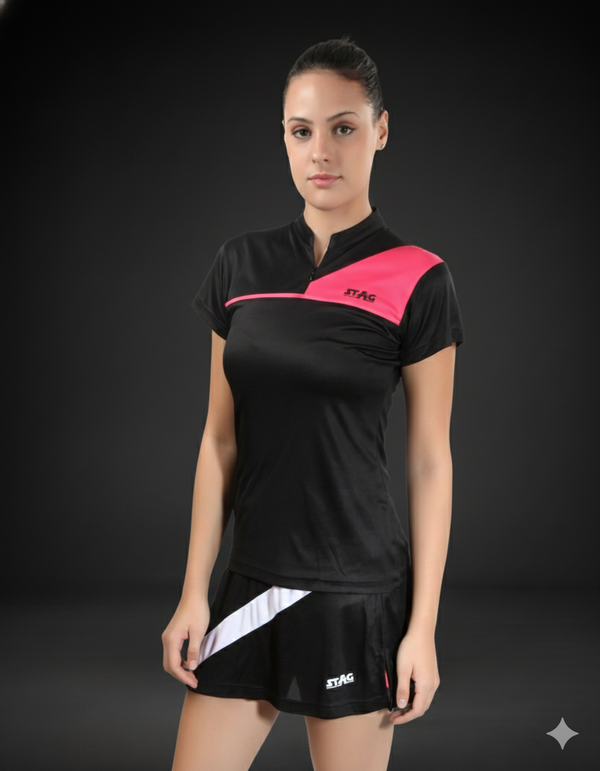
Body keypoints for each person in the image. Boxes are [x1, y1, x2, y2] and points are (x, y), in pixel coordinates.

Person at [162, 36, 464, 771]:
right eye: (302, 131)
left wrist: (422, 628)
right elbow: (219, 440)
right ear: (284, 137)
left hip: (355, 592)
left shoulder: (419, 278)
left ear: (381, 131)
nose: (321, 151)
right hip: (251, 580)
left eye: (343, 127)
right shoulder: (240, 264)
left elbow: (430, 460)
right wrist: (194, 591)